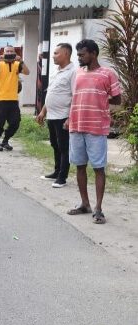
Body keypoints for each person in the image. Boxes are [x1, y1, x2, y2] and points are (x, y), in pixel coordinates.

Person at [66, 39, 122, 224]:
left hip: (97, 127)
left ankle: (98, 208)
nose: (79, 58)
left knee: (98, 168)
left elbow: (117, 99)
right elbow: (75, 98)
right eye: (78, 54)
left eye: (82, 54)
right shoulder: (78, 73)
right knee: (79, 165)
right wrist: (69, 118)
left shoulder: (108, 74)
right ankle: (85, 204)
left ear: (93, 54)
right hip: (76, 125)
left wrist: (100, 101)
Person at [35, 43, 77, 188]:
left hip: (63, 116)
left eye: (56, 53)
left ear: (66, 54)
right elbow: (52, 93)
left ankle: (62, 177)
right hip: (51, 116)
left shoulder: (73, 72)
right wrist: (42, 111)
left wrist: (70, 117)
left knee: (64, 147)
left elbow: (75, 96)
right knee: (55, 145)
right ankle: (56, 171)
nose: (53, 56)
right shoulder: (56, 71)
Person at [0, 45, 30, 151]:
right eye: (7, 51)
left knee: (15, 123)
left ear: (15, 53)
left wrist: (21, 61)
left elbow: (27, 72)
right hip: (0, 99)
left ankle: (5, 140)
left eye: (11, 51)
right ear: (3, 52)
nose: (9, 53)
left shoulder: (17, 64)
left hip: (13, 99)